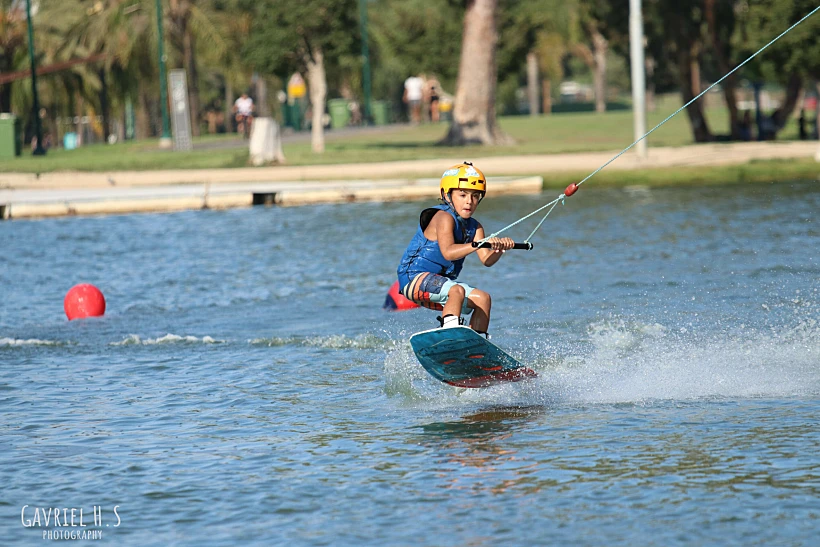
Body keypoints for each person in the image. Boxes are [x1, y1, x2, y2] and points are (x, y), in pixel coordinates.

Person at [396, 162, 515, 336]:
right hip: (413, 278)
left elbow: (486, 260)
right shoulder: (443, 217)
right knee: (456, 290)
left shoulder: (476, 227)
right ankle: (449, 335)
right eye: (462, 194)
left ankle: (476, 347)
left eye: (475, 196)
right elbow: (448, 252)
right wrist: (477, 245)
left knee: (483, 299)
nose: (469, 201)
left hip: (440, 286)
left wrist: (499, 249)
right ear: (447, 194)